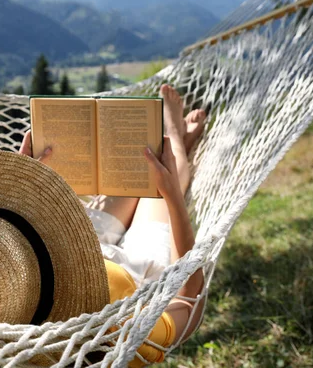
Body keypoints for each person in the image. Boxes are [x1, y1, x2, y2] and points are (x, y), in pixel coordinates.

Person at [18, 84, 207, 363]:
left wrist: (24, 193)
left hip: (72, 249)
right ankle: (177, 138)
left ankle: (177, 153)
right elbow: (188, 302)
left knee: (136, 177)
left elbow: (14, 248)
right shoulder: (133, 333)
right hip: (138, 271)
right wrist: (174, 197)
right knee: (156, 182)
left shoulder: (9, 321)